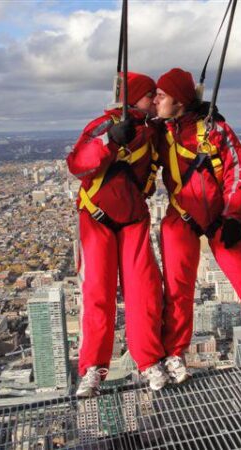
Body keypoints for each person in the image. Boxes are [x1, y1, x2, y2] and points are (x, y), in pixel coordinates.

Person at [154, 68, 241, 383]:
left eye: (161, 96)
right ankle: (175, 354)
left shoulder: (215, 131)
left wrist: (233, 216)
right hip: (182, 216)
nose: (155, 101)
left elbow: (239, 170)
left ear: (179, 101)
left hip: (220, 217)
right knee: (177, 289)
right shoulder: (158, 132)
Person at [67, 72, 169, 397]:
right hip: (97, 220)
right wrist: (109, 139)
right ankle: (93, 368)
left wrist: (199, 115)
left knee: (145, 293)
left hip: (133, 220)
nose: (155, 100)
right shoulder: (103, 125)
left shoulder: (153, 132)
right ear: (133, 97)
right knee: (98, 293)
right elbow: (78, 164)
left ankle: (149, 360)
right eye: (149, 94)